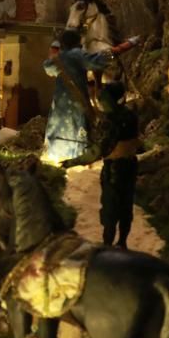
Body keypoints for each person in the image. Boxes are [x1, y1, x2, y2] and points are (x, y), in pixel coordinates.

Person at [41, 29, 111, 165]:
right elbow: (95, 62)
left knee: (58, 124)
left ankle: (55, 154)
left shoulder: (59, 57)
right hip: (76, 99)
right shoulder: (77, 54)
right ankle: (77, 156)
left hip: (60, 100)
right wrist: (112, 54)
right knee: (77, 125)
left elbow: (48, 67)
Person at [96, 81, 139, 250]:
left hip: (114, 169)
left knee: (110, 209)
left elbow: (99, 148)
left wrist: (74, 161)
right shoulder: (131, 115)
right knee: (126, 206)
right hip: (130, 166)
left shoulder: (110, 121)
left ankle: (107, 245)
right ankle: (122, 241)